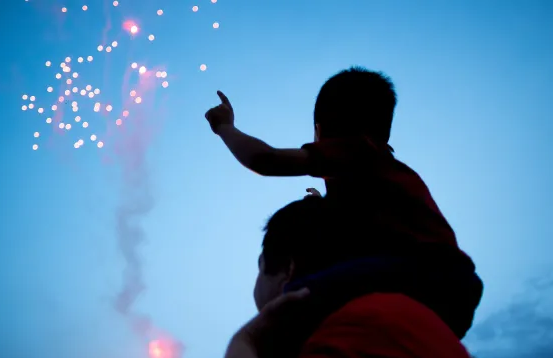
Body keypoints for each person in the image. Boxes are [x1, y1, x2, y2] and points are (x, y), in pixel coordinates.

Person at [205, 66, 482, 339]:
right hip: (448, 289)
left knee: (296, 300)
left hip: (426, 275)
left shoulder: (358, 151)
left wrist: (225, 128)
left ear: (320, 130)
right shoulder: (378, 176)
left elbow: (265, 159)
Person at [220, 197, 500, 358]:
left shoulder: (373, 328)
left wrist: (244, 339)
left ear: (287, 269)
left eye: (259, 268)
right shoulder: (379, 322)